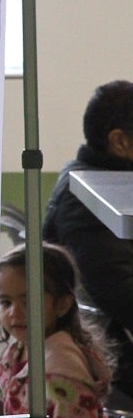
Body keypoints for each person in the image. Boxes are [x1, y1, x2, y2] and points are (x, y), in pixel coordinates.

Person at [0, 243, 133, 418]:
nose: (14, 313)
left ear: (62, 305)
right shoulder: (18, 351)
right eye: (6, 302)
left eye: (27, 301)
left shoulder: (62, 372)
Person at [44, 80, 133, 399]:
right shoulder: (89, 201)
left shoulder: (92, 181)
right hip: (116, 355)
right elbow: (121, 294)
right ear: (120, 142)